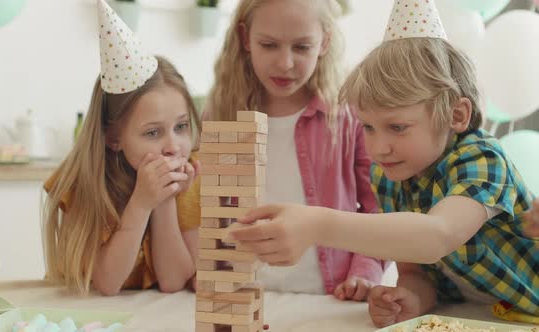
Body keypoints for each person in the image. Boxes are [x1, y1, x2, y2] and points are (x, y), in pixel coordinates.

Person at [228, 0, 539, 326]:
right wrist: (409, 297)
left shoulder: (482, 159)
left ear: (456, 115)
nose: (378, 148)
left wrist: (316, 224)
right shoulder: (390, 176)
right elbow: (415, 271)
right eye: (368, 127)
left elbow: (437, 236)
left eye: (397, 127)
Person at [205, 0, 386, 301]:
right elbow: (208, 212)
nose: (285, 63)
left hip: (327, 298)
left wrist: (364, 272)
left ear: (325, 41)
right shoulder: (221, 114)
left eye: (301, 47)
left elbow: (378, 207)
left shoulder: (349, 116)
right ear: (244, 38)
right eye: (269, 45)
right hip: (241, 295)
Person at [42, 0, 201, 296]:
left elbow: (173, 281)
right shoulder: (84, 184)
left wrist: (165, 201)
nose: (173, 146)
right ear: (113, 137)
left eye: (181, 127)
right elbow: (107, 283)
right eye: (153, 132)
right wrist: (141, 203)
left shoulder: (189, 176)